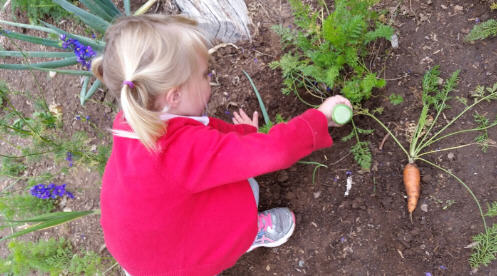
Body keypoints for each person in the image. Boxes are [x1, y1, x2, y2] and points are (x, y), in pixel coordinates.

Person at [92, 14, 352, 276]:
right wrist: (319, 119)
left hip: (141, 247)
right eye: (206, 74)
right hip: (174, 264)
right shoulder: (178, 152)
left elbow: (203, 136)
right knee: (245, 190)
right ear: (174, 95)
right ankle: (246, 236)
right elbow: (276, 151)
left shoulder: (135, 113)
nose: (210, 79)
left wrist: (242, 134)